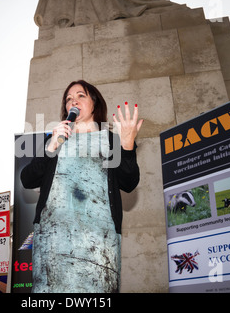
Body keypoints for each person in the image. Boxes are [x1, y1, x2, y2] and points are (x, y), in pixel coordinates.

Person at [20, 80, 143, 293]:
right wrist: (52, 146)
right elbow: (27, 179)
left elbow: (129, 182)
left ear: (94, 103)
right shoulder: (55, 139)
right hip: (53, 244)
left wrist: (127, 145)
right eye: (68, 99)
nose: (73, 101)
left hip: (99, 245)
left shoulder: (112, 141)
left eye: (80, 96)